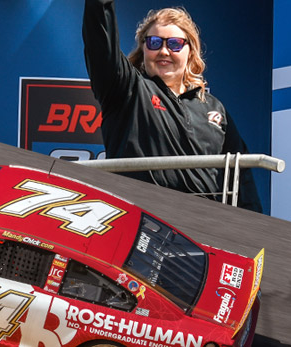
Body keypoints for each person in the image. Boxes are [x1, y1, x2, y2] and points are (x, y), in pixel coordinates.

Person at [82, 0, 262, 212]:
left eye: (175, 44)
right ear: (144, 48)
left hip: (202, 228)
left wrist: (256, 238)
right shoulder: (126, 89)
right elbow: (100, 41)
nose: (164, 51)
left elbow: (242, 181)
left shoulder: (214, 109)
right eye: (155, 43)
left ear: (190, 51)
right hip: (141, 220)